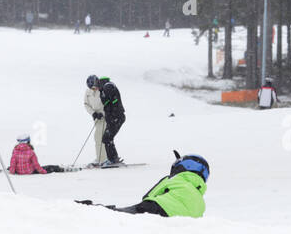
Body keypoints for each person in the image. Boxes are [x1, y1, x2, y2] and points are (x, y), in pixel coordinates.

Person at [78, 152, 208, 217]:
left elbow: (148, 195)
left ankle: (91, 209)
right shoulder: (201, 203)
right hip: (172, 220)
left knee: (117, 214)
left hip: (154, 208)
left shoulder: (174, 179)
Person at [91, 76, 126, 166]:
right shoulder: (105, 88)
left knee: (107, 138)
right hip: (114, 118)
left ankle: (112, 160)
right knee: (107, 138)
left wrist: (111, 115)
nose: (96, 90)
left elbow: (112, 102)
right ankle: (113, 158)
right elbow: (108, 104)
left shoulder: (107, 87)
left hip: (117, 117)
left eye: (95, 87)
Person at [84, 75, 108, 164]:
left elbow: (108, 105)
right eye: (91, 88)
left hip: (104, 117)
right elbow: (86, 104)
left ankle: (103, 159)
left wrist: (103, 113)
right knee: (98, 138)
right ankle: (100, 158)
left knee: (99, 137)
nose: (93, 89)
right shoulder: (88, 92)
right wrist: (93, 113)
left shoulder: (103, 91)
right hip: (96, 118)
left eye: (94, 88)